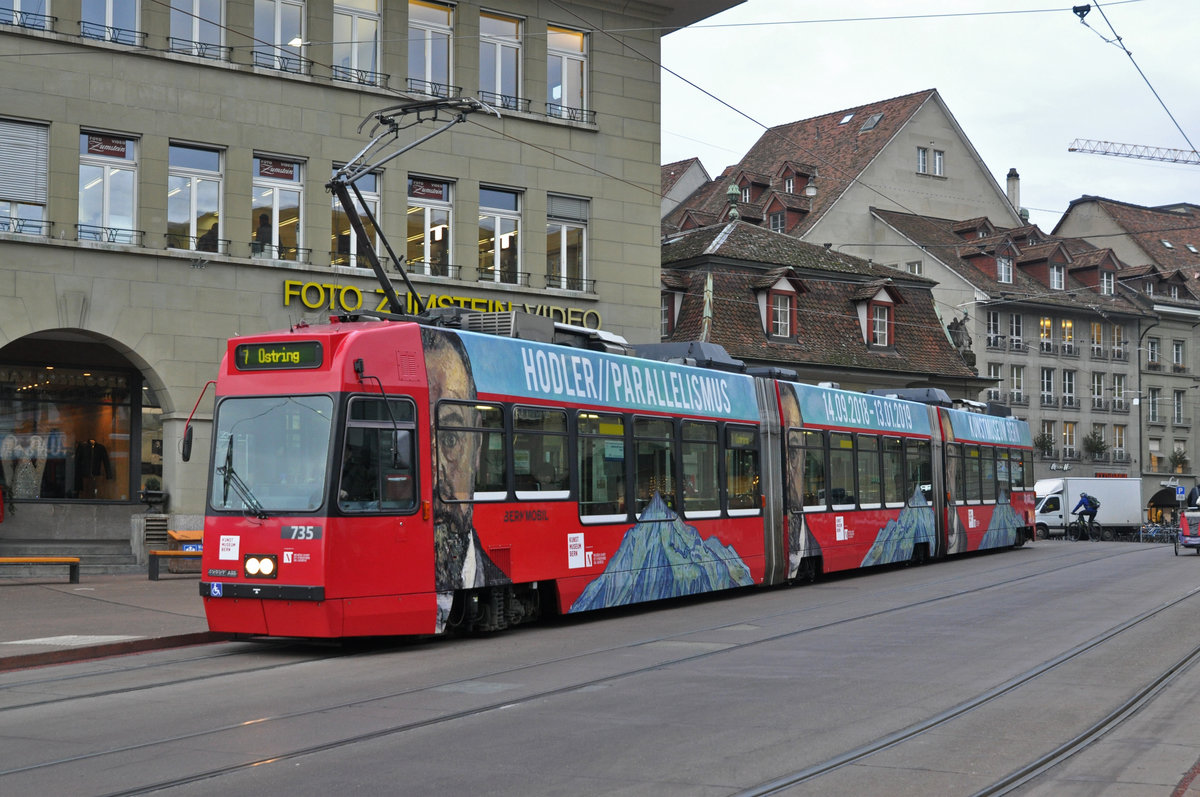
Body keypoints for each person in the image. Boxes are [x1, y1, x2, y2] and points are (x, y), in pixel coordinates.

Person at [422, 328, 510, 631]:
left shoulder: (494, 573)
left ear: (477, 446)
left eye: (450, 437)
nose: (433, 470)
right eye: (414, 439)